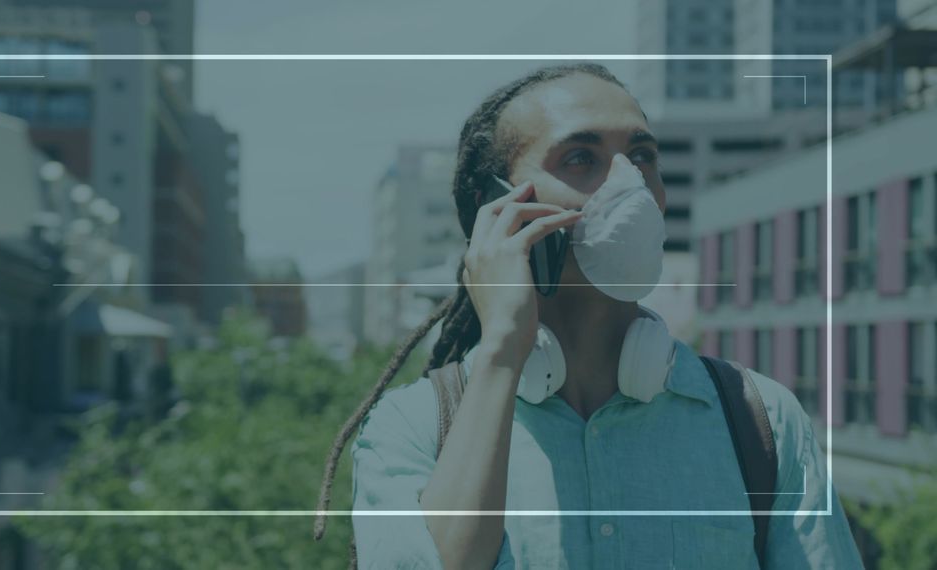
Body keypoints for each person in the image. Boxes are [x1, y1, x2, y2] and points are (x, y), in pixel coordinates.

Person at [313, 63, 862, 569]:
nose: (630, 181)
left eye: (643, 156)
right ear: (497, 204)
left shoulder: (761, 420)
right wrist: (504, 350)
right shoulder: (410, 428)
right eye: (582, 158)